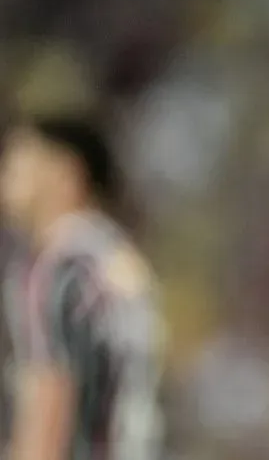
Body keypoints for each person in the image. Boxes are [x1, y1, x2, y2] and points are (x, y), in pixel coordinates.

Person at [0, 114, 164, 460]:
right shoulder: (121, 261)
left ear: (66, 173)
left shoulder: (56, 267)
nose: (7, 175)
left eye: (19, 161)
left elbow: (49, 410)